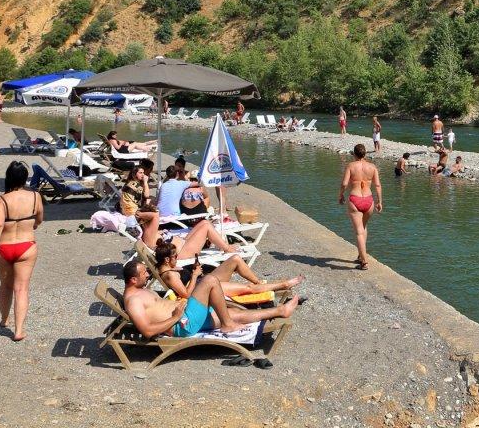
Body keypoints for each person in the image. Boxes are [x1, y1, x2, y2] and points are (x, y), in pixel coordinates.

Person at [121, 260, 302, 341]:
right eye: (144, 273)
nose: (148, 274)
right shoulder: (133, 301)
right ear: (133, 280)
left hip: (186, 315)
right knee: (210, 281)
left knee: (234, 313)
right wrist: (175, 316)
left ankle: (280, 311)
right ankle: (227, 325)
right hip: (182, 323)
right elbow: (146, 331)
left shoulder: (140, 290)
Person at [0, 161, 42, 341]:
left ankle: (4, 319)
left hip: (5, 246)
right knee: (22, 289)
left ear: (8, 177)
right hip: (26, 246)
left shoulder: (2, 199)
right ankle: (19, 331)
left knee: (6, 286)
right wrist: (33, 224)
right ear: (25, 178)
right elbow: (39, 219)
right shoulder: (35, 196)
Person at [154, 238, 304, 300]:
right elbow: (186, 295)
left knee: (235, 259)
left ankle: (259, 282)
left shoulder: (167, 267)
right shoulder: (170, 275)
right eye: (175, 257)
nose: (177, 258)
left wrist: (192, 270)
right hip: (203, 289)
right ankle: (283, 284)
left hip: (205, 281)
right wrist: (194, 275)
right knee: (247, 288)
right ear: (167, 260)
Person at [339, 144, 381, 269]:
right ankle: (360, 255)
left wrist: (340, 195)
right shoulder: (372, 167)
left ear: (354, 154)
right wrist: (380, 201)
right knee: (363, 227)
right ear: (365, 154)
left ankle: (364, 261)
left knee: (358, 232)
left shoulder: (351, 166)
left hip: (355, 199)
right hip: (369, 200)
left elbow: (344, 183)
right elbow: (378, 185)